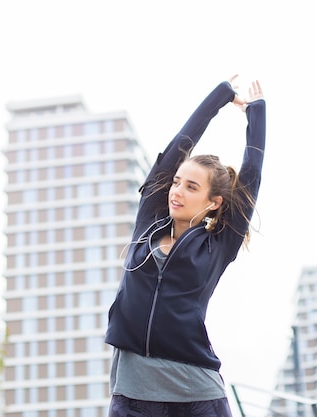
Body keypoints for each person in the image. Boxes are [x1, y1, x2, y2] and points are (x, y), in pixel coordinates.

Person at [104, 75, 266, 417]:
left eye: (191, 187)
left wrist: (257, 115)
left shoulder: (218, 246)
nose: (177, 191)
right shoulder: (148, 220)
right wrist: (220, 97)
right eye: (177, 182)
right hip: (133, 396)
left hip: (197, 396)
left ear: (213, 202)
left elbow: (251, 176)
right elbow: (178, 147)